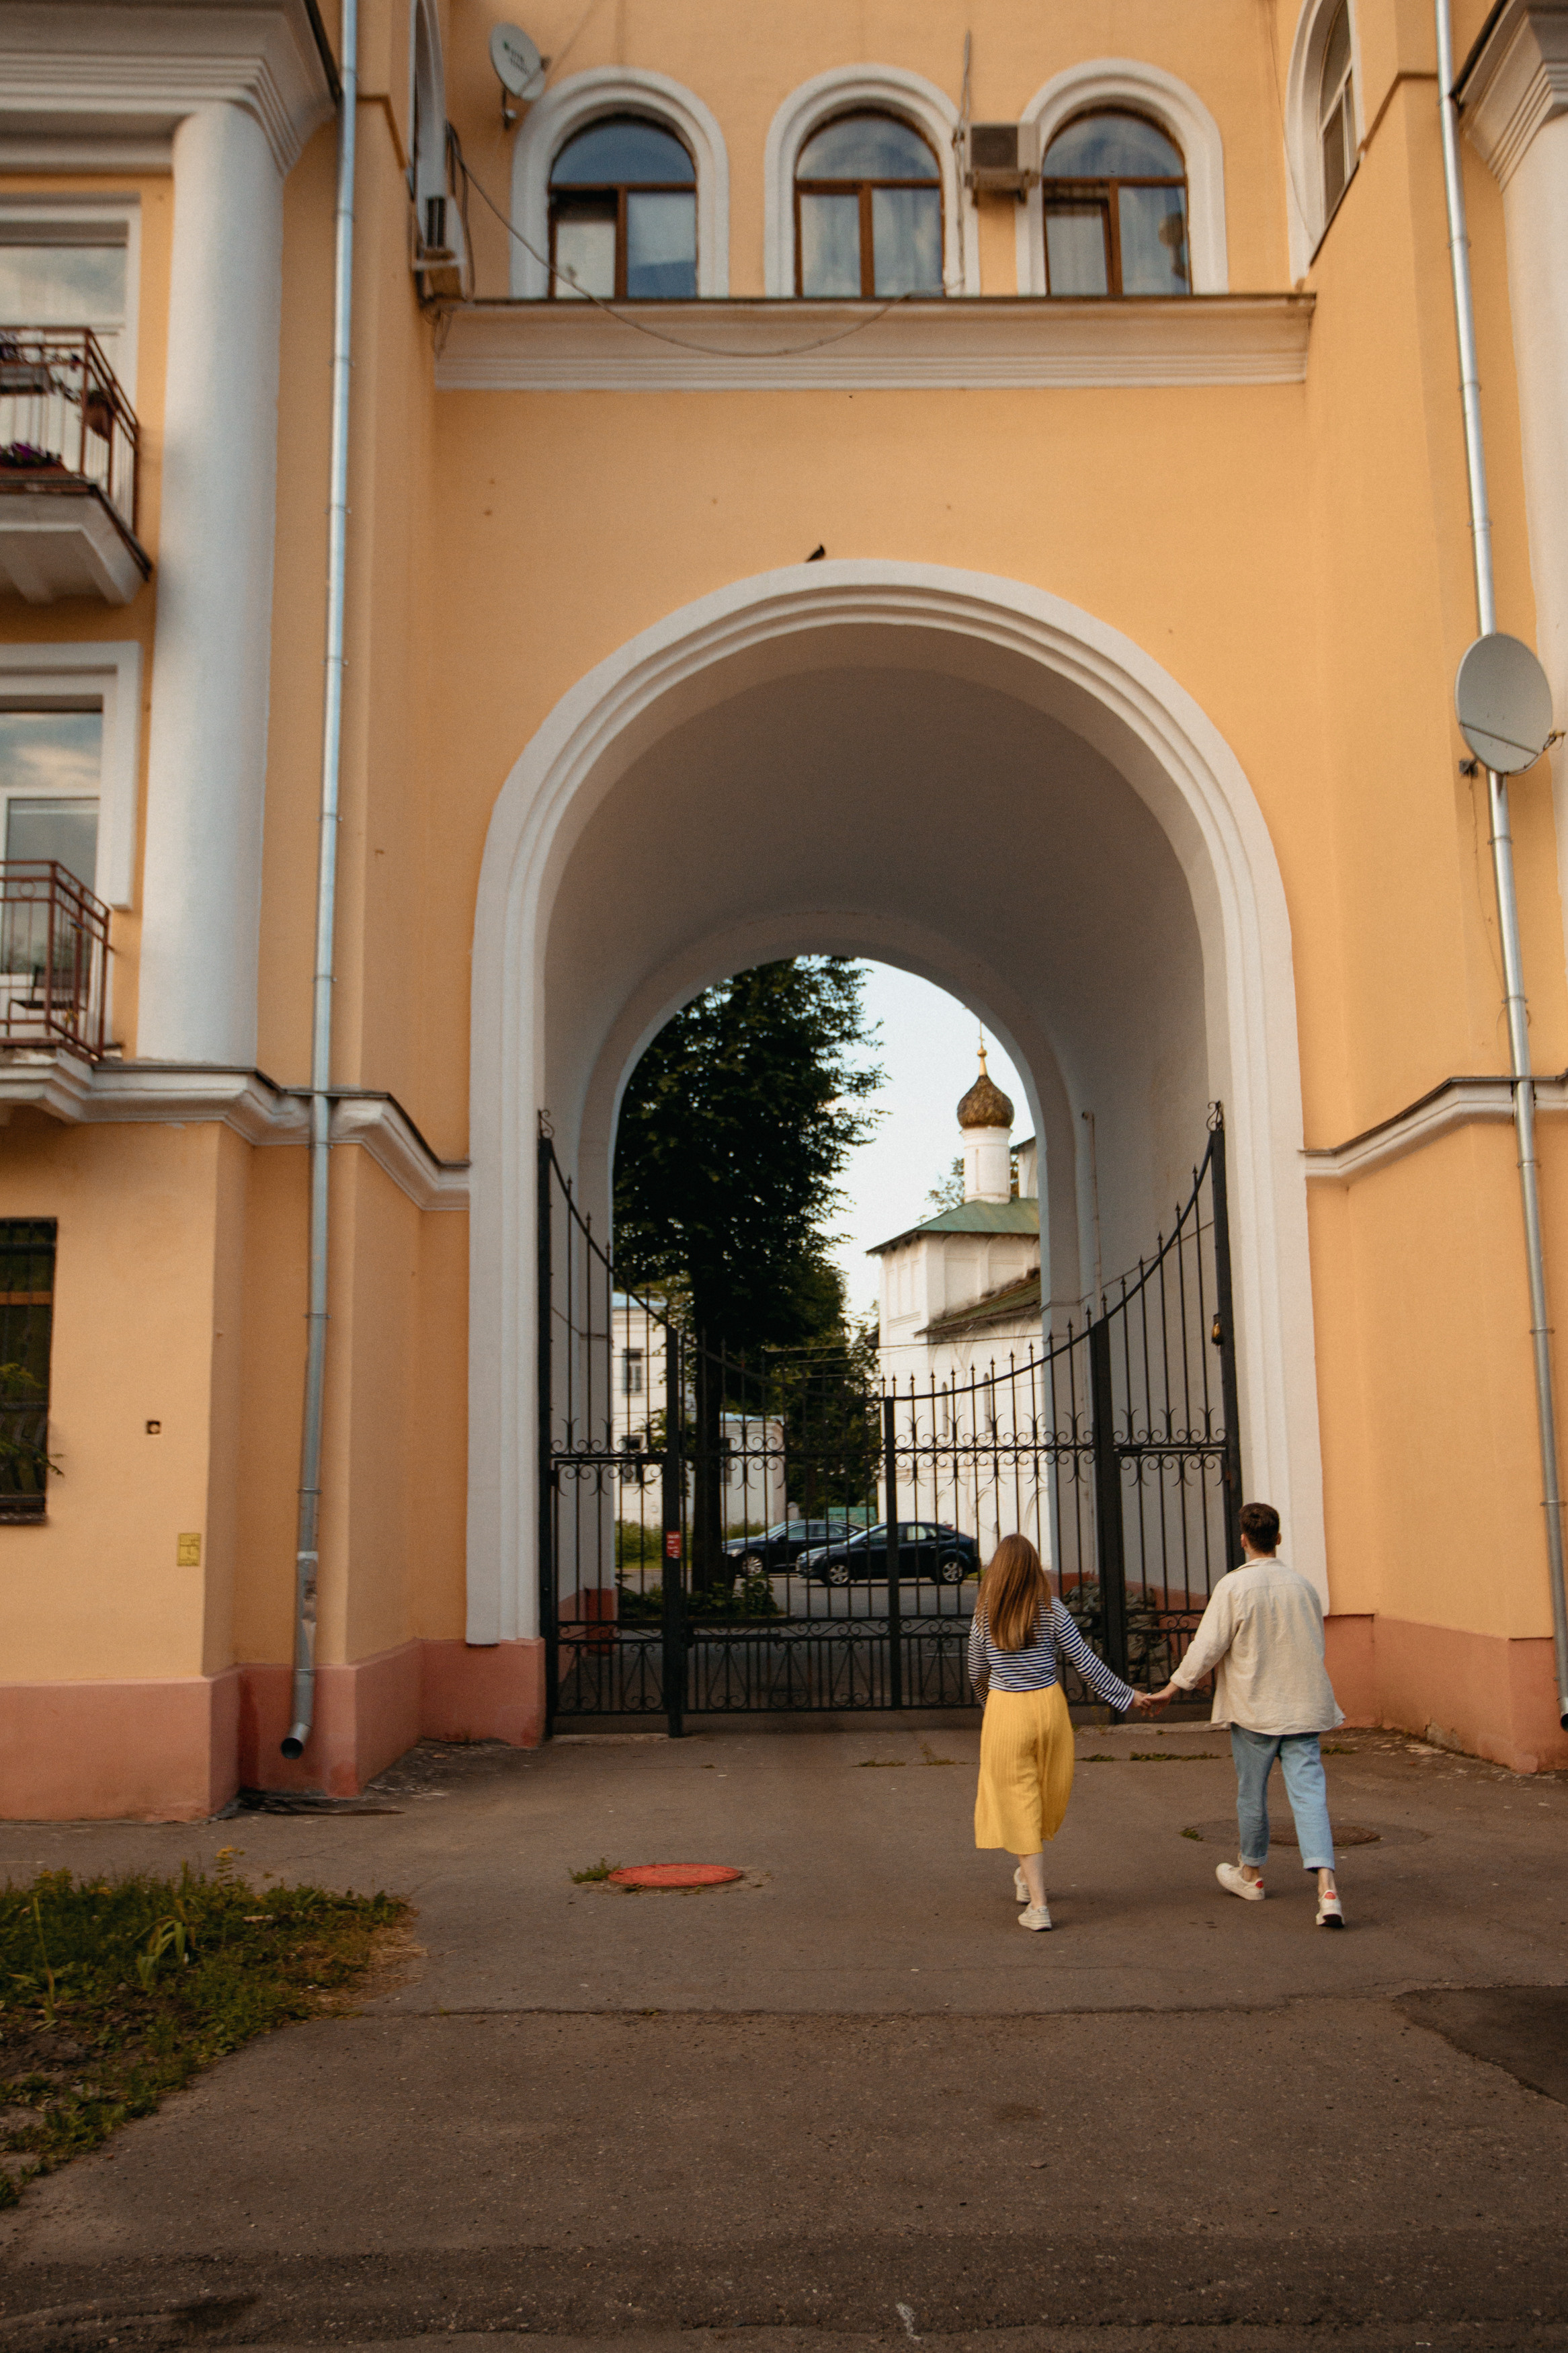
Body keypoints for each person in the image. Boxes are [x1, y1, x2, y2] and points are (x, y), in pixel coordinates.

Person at [1147, 1501, 1346, 1928]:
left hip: (1255, 1709)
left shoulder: (1234, 1588)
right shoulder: (1304, 1587)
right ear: (1277, 1538)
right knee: (1310, 1796)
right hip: (1305, 1709)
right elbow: (1314, 1645)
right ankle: (1327, 1888)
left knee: (1251, 1793)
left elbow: (1207, 1646)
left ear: (1243, 1541)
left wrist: (1171, 1688)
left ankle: (1251, 1874)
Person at [968, 1532, 1152, 1930]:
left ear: (997, 1572)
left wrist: (991, 1706)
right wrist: (1129, 1697)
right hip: (1050, 1710)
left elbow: (976, 1670)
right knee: (1042, 1793)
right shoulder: (1051, 1610)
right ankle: (1025, 1876)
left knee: (1016, 1801)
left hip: (1007, 1712)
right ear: (1034, 1568)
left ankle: (1038, 1904)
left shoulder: (986, 1615)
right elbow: (1087, 1665)